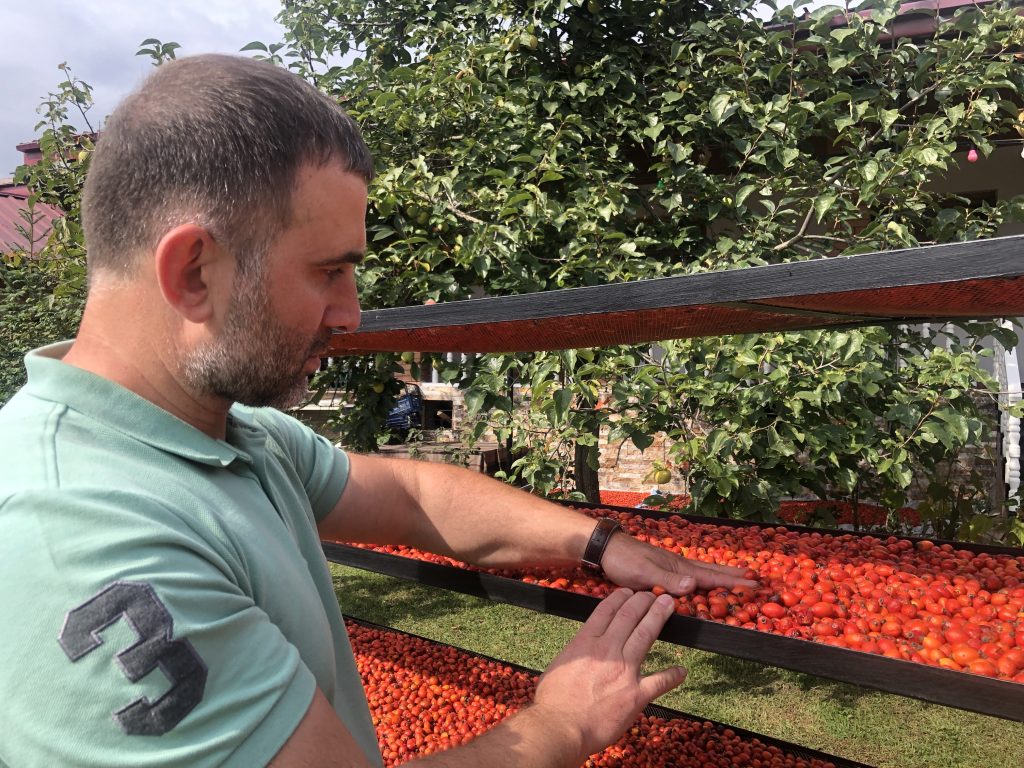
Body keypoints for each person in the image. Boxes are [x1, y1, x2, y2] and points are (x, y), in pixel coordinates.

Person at [0, 54, 756, 768]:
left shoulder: (236, 438)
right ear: (194, 270)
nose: (353, 313)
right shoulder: (86, 537)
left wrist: (599, 542)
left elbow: (411, 497)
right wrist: (562, 725)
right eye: (329, 271)